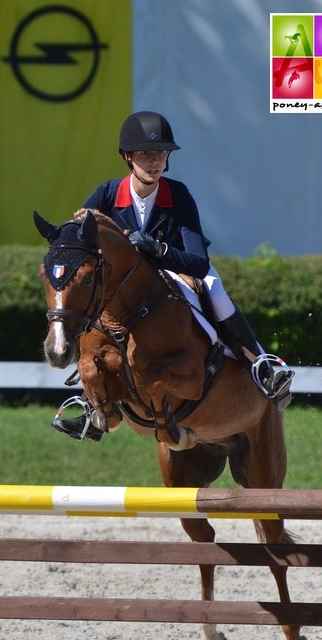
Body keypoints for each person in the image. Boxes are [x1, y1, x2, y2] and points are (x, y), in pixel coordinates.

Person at [53, 111, 293, 440]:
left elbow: (198, 261)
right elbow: (77, 241)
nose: (154, 162)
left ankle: (262, 366)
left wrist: (159, 250)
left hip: (176, 274)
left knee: (214, 288)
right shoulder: (107, 194)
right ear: (127, 157)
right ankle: (89, 402)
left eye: (160, 154)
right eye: (145, 155)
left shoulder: (178, 196)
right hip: (123, 285)